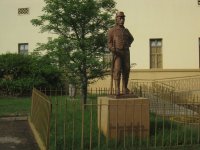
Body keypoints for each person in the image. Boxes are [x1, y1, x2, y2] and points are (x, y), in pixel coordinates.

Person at [108, 11, 134, 95]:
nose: (122, 20)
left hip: (126, 52)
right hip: (117, 53)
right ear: (116, 19)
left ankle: (124, 88)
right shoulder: (112, 31)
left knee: (126, 70)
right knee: (117, 70)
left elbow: (131, 39)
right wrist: (112, 48)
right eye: (120, 18)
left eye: (123, 18)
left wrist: (128, 45)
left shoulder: (126, 31)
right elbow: (109, 43)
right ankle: (117, 89)